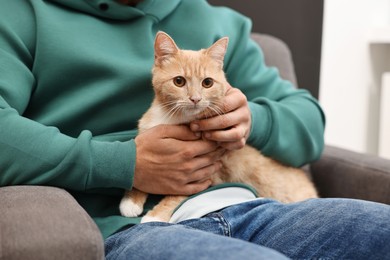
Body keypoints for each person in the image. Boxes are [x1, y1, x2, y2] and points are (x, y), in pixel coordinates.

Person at [0, 0, 389, 259]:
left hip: (252, 208)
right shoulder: (22, 12)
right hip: (133, 226)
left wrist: (254, 118)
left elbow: (308, 122)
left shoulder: (216, 22)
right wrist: (123, 163)